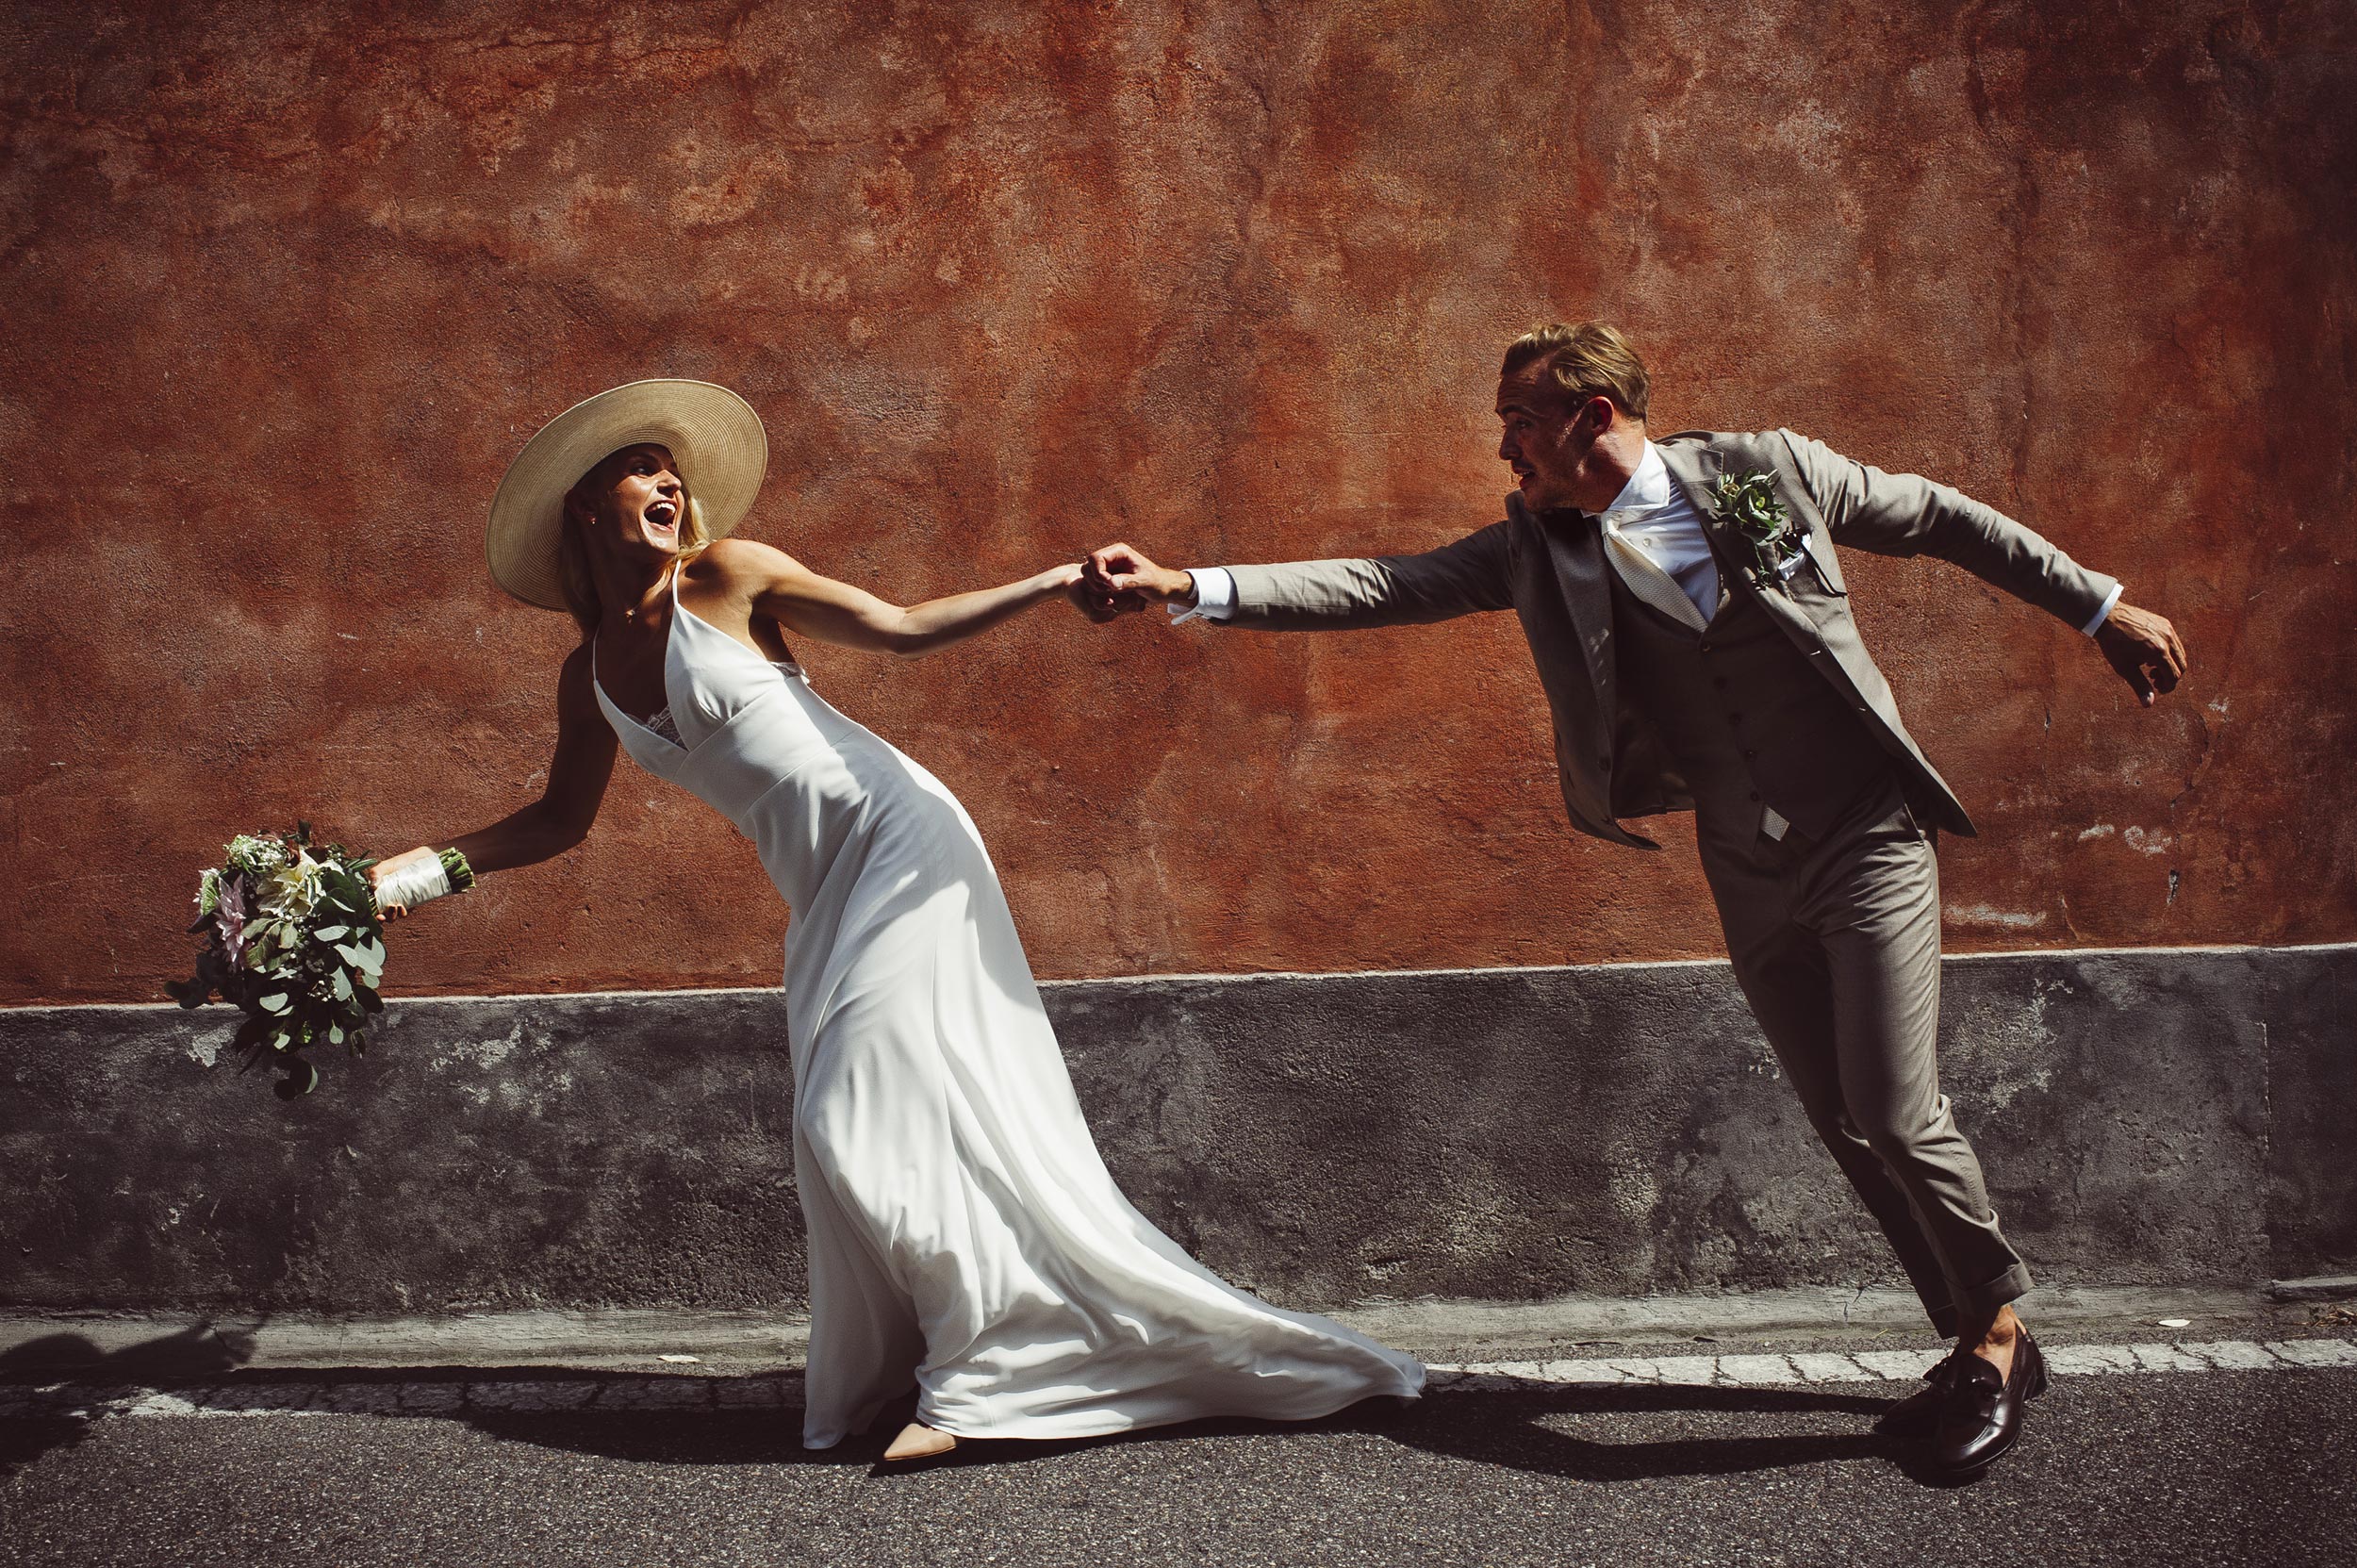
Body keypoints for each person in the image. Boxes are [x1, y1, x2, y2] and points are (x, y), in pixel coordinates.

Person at [1080, 322, 2187, 1477]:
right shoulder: (1535, 546)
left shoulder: (1770, 473)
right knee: (1840, 1116)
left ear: (1588, 416)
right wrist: (1184, 585)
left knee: (1896, 1107)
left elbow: (1943, 517)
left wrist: (2099, 607)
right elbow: (1382, 583)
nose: (1505, 445)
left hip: (1864, 837)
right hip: (1743, 862)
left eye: (1518, 418)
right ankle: (1970, 1335)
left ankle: (1999, 1336)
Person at [370, 379, 1422, 1461]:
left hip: (900, 839)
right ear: (586, 508)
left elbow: (903, 629)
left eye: (671, 468)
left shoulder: (730, 576)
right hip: (822, 891)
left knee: (846, 1114)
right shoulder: (584, 674)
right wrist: (392, 883)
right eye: (641, 468)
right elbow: (555, 820)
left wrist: (1055, 579)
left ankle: (979, 1382)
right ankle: (954, 1353)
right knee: (887, 1124)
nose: (671, 482)